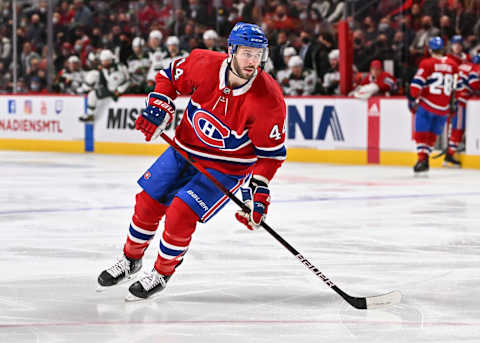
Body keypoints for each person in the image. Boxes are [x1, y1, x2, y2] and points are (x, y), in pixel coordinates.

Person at [97, 22, 287, 301]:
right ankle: (130, 260)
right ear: (231, 50)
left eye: (258, 55)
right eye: (247, 53)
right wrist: (159, 105)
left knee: (180, 213)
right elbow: (169, 78)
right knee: (147, 202)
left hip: (225, 168)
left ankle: (162, 272)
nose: (253, 61)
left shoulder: (268, 99)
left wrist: (258, 190)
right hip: (183, 151)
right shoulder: (204, 63)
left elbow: (269, 156)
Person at [409, 36, 459, 174]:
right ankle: (425, 159)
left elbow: (415, 87)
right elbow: (457, 87)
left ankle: (422, 159)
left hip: (427, 104)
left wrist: (412, 99)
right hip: (443, 108)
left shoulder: (427, 63)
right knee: (431, 136)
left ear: (430, 49)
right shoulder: (453, 64)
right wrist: (454, 103)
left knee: (421, 134)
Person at [445, 53, 480, 166]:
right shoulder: (475, 68)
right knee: (458, 127)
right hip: (461, 100)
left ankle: (451, 151)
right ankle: (449, 155)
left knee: (455, 127)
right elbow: (474, 84)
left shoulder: (462, 65)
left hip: (451, 99)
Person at [78, 49, 130, 122]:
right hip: (109, 90)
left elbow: (128, 81)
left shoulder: (121, 67)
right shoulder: (103, 69)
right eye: (102, 61)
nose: (102, 63)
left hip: (122, 91)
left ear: (109, 61)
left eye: (104, 61)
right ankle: (90, 115)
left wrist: (119, 90)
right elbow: (103, 82)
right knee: (92, 94)